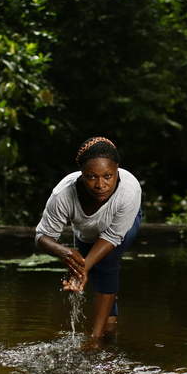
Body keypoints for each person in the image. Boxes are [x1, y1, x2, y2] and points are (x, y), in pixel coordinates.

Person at [35, 137, 142, 341]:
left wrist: (84, 267)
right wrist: (63, 251)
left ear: (117, 169)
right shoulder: (63, 195)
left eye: (108, 176)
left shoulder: (129, 190)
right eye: (91, 177)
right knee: (88, 274)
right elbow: (42, 236)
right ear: (82, 174)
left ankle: (95, 339)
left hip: (121, 228)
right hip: (86, 232)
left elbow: (112, 236)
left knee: (105, 263)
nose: (100, 185)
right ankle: (111, 329)